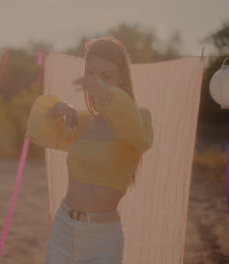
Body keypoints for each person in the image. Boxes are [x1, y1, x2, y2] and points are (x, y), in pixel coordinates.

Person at [26, 36, 154, 264]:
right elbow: (39, 132)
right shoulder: (84, 122)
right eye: (91, 75)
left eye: (106, 77)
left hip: (102, 240)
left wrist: (108, 94)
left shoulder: (138, 119)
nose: (97, 84)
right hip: (64, 228)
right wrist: (56, 108)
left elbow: (133, 131)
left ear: (123, 77)